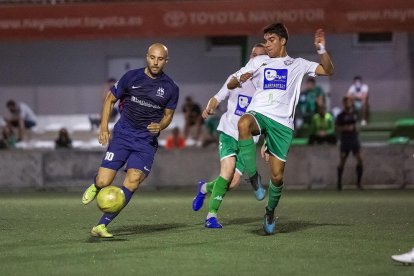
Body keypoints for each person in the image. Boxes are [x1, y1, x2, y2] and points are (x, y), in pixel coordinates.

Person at [228, 23, 334, 235]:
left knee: (277, 177)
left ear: (283, 41)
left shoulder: (297, 64)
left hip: (282, 124)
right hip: (259, 113)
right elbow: (230, 83)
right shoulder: (258, 62)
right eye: (265, 41)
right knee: (243, 124)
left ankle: (270, 211)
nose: (267, 45)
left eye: (271, 40)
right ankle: (254, 177)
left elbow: (328, 70)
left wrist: (321, 50)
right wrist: (240, 78)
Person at [81, 43, 179, 238]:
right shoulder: (131, 77)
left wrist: (161, 126)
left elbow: (168, 115)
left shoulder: (171, 88)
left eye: (160, 59)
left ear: (166, 61)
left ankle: (101, 225)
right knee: (104, 180)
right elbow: (110, 99)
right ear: (147, 57)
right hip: (123, 136)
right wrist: (103, 127)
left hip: (145, 142)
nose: (155, 62)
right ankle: (96, 185)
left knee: (132, 182)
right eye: (152, 57)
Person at [192, 44, 267, 228]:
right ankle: (211, 217)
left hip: (248, 140)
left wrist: (267, 141)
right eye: (253, 55)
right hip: (229, 132)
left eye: (259, 56)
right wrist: (210, 106)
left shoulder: (266, 87)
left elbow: (269, 117)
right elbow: (218, 96)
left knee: (232, 183)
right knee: (226, 173)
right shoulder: (236, 78)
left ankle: (203, 188)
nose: (254, 59)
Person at [335, 96, 363, 191]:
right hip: (345, 140)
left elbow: (359, 126)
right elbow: (337, 128)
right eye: (346, 102)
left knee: (360, 159)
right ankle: (339, 184)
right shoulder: (340, 116)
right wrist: (346, 128)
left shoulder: (355, 114)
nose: (348, 103)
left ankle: (358, 184)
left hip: (354, 139)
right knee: (342, 160)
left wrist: (356, 128)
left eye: (350, 101)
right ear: (344, 103)